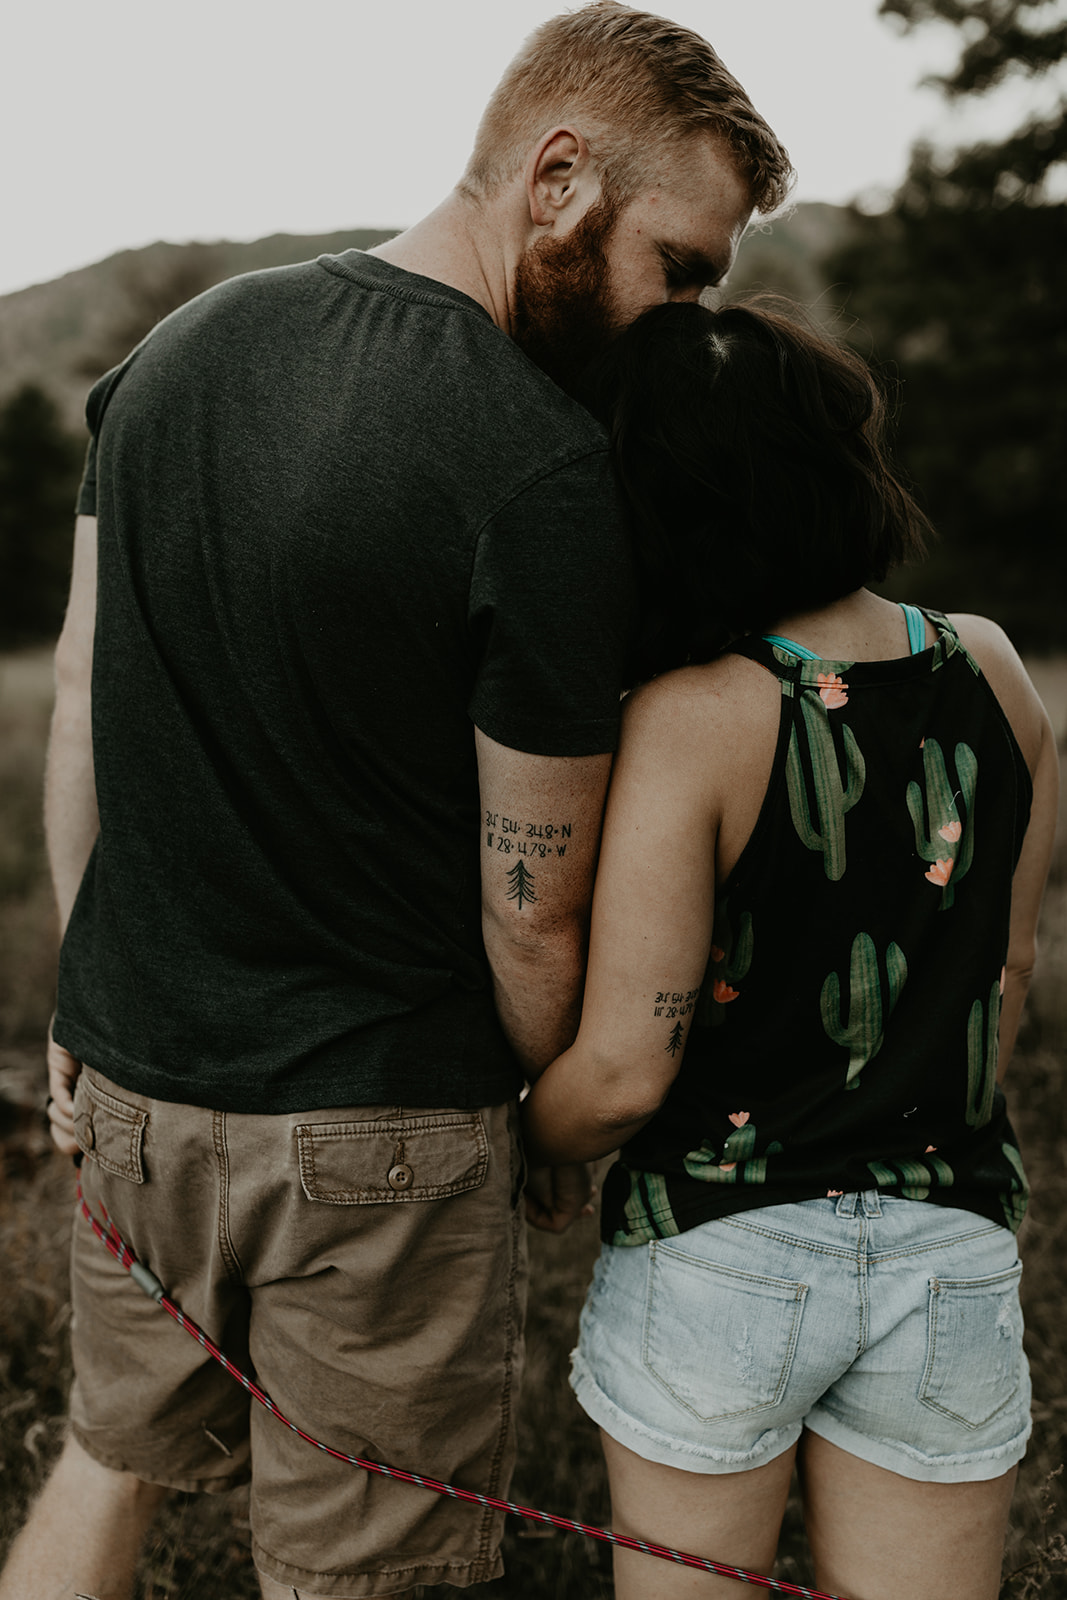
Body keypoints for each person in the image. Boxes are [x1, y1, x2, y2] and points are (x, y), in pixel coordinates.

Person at [0, 8, 793, 1600]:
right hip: (383, 1139)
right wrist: (551, 1117)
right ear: (559, 177)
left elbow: (83, 710)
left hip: (142, 1097)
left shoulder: (172, 360)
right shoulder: (543, 470)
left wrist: (104, 988)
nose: (681, 316)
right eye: (682, 265)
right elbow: (532, 909)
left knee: (108, 1456)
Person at [522, 300, 1059, 1600]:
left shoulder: (693, 716)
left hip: (720, 1253)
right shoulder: (991, 669)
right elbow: (1004, 990)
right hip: (950, 1257)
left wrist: (526, 1140)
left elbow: (629, 1072)